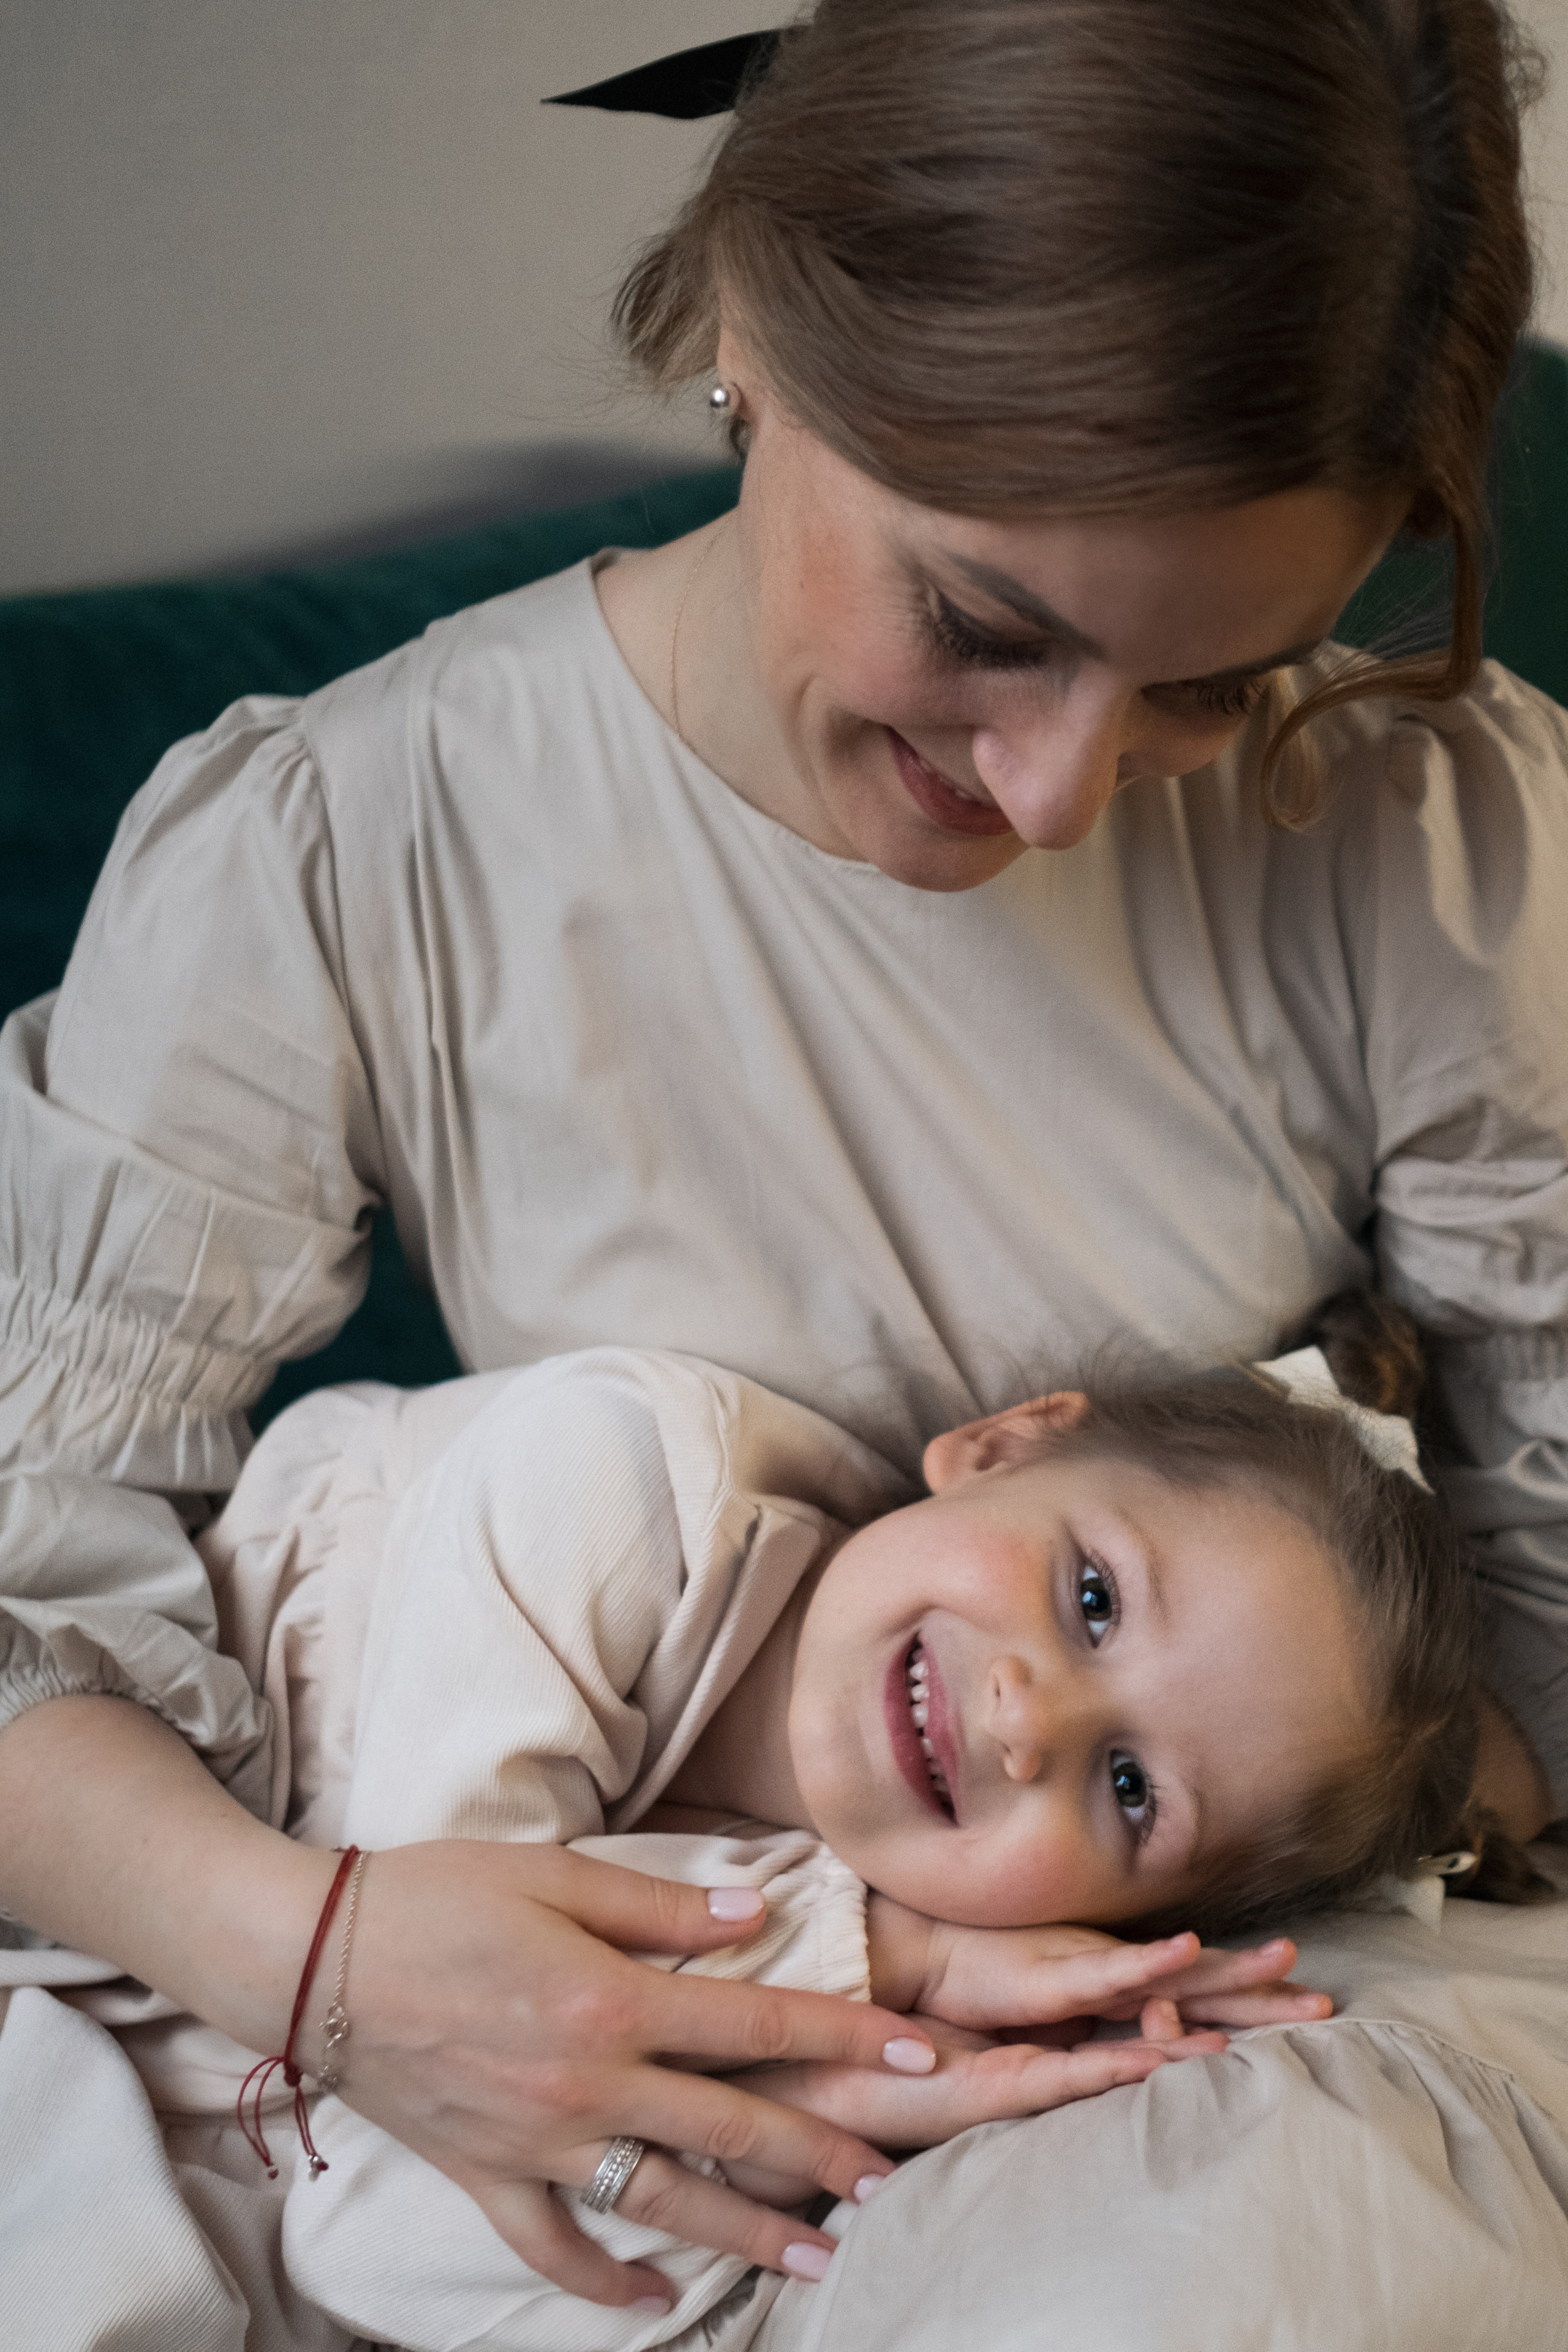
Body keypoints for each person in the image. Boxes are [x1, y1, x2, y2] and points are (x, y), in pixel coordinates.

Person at [1, 0, 1563, 2337]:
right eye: (984, 624)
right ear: (752, 319)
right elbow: (29, 1583)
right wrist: (333, 1968)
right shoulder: (344, 850)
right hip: (603, 1966)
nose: (1057, 793)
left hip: (1263, 1979)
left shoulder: (1436, 839)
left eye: (1208, 683)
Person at [48, 1302, 1519, 2352]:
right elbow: (435, 2010)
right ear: (1004, 1446)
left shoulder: (825, 1982)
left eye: (1129, 1790)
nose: (1028, 1720)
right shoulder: (612, 1479)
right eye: (1089, 1598)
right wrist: (870, 1960)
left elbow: (372, 2244)